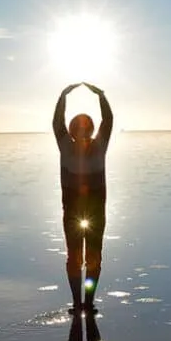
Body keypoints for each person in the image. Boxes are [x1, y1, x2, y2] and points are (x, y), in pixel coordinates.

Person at [52, 82, 113, 312]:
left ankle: (89, 302)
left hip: (96, 213)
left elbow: (108, 121)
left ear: (91, 129)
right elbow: (57, 123)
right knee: (74, 257)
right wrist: (63, 96)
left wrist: (101, 95)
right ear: (73, 129)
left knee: (94, 257)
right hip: (72, 213)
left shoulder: (100, 146)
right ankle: (77, 303)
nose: (82, 129)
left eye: (86, 126)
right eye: (78, 125)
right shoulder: (65, 146)